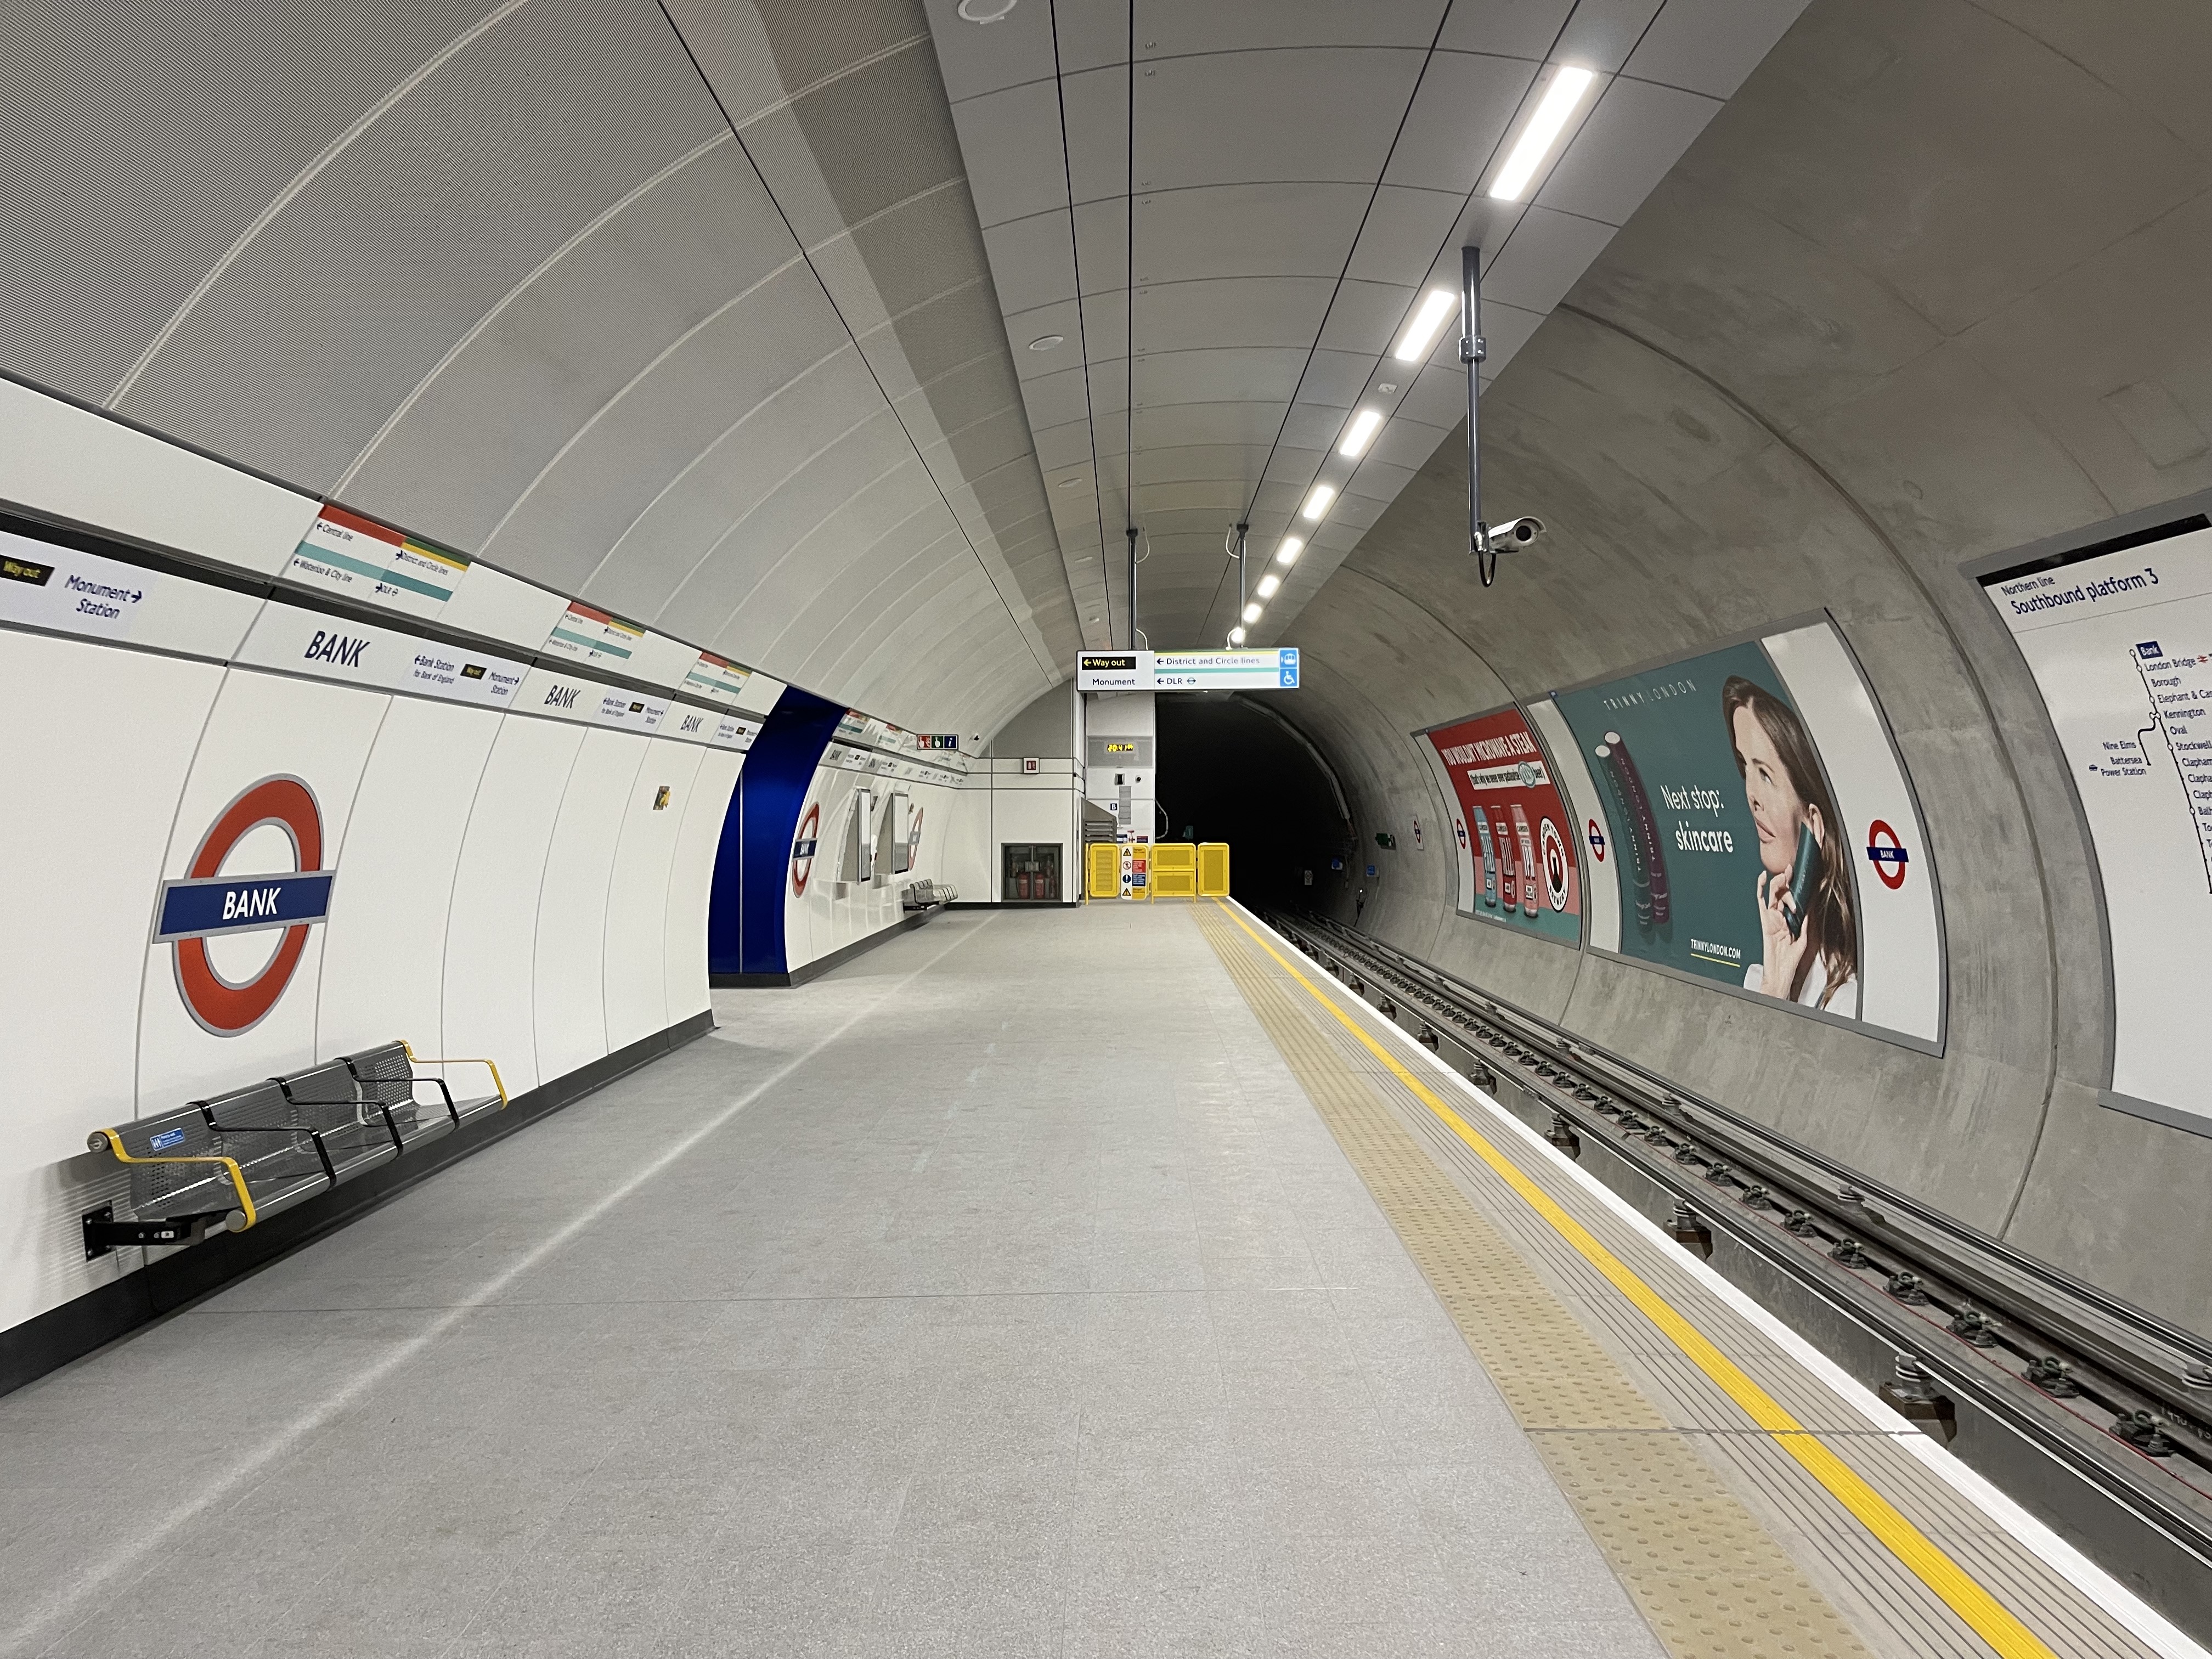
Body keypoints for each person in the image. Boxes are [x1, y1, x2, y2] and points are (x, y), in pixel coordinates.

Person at [1721, 676, 1858, 1015]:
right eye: (1745, 769)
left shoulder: (1845, 1000)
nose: (1751, 794)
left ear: (1815, 822)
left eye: (1765, 774)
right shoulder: (1762, 977)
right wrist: (1774, 988)